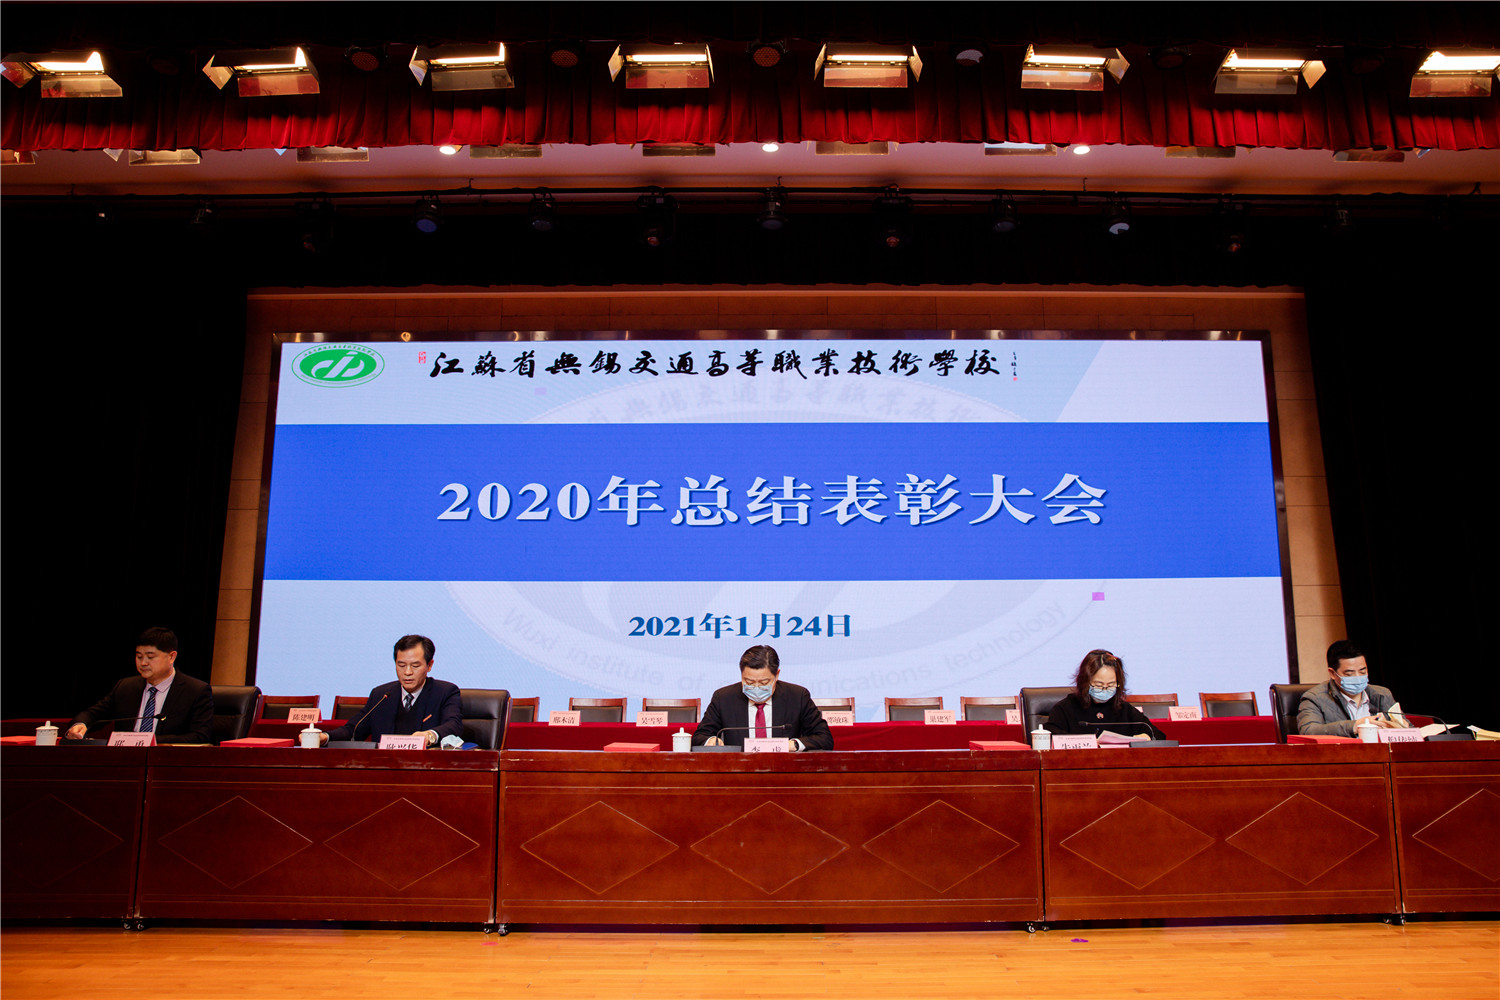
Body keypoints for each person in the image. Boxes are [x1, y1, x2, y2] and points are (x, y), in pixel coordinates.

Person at [66, 627, 214, 744]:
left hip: (167, 761)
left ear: (171, 657)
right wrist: (81, 725)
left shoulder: (195, 691)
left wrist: (147, 741)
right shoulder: (125, 687)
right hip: (125, 761)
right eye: (139, 656)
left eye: (150, 657)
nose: (143, 663)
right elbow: (93, 714)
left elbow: (200, 736)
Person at [320, 634, 463, 747]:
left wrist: (429, 736)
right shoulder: (381, 695)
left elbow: (453, 725)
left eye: (415, 666)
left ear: (429, 665)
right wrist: (325, 737)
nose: (407, 672)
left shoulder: (445, 692)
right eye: (401, 665)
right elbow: (354, 729)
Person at [693, 645, 833, 751]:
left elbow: (824, 738)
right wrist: (711, 741)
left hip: (784, 771)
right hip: (738, 771)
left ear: (776, 675)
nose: (756, 687)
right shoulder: (723, 698)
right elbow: (699, 737)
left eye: (764, 682)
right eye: (749, 682)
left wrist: (794, 745)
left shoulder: (797, 696)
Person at [1043, 649, 1164, 739]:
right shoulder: (1065, 708)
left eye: (1111, 685)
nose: (1105, 689)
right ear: (1085, 682)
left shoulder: (1124, 709)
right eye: (1099, 684)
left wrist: (1146, 737)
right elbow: (1049, 736)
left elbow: (1157, 734)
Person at [1297, 639, 1404, 736]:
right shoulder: (1314, 698)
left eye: (1362, 671)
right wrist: (1354, 726)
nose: (1358, 677)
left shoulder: (1382, 694)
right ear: (1332, 673)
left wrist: (1403, 729)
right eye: (1349, 674)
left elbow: (1406, 728)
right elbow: (1308, 731)